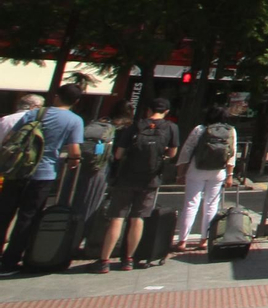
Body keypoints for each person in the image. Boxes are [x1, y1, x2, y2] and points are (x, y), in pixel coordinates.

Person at [0, 85, 84, 275]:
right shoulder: (75, 121)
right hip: (44, 174)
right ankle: (10, 262)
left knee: (4, 213)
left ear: (56, 97)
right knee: (27, 217)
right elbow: (74, 151)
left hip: (18, 170)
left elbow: (12, 137)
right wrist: (73, 163)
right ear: (76, 102)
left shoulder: (37, 113)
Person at [95, 98, 179, 273]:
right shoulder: (171, 128)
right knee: (138, 218)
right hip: (150, 178)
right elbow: (172, 153)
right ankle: (129, 259)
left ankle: (104, 260)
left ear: (148, 110)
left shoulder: (135, 126)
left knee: (117, 217)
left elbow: (118, 154)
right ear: (166, 112)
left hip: (126, 177)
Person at [174, 106, 236, 252]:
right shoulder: (231, 131)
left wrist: (180, 173)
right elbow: (232, 154)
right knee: (211, 206)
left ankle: (182, 241)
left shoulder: (200, 129)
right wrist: (230, 175)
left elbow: (186, 151)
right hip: (218, 172)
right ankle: (204, 240)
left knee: (190, 205)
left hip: (197, 169)